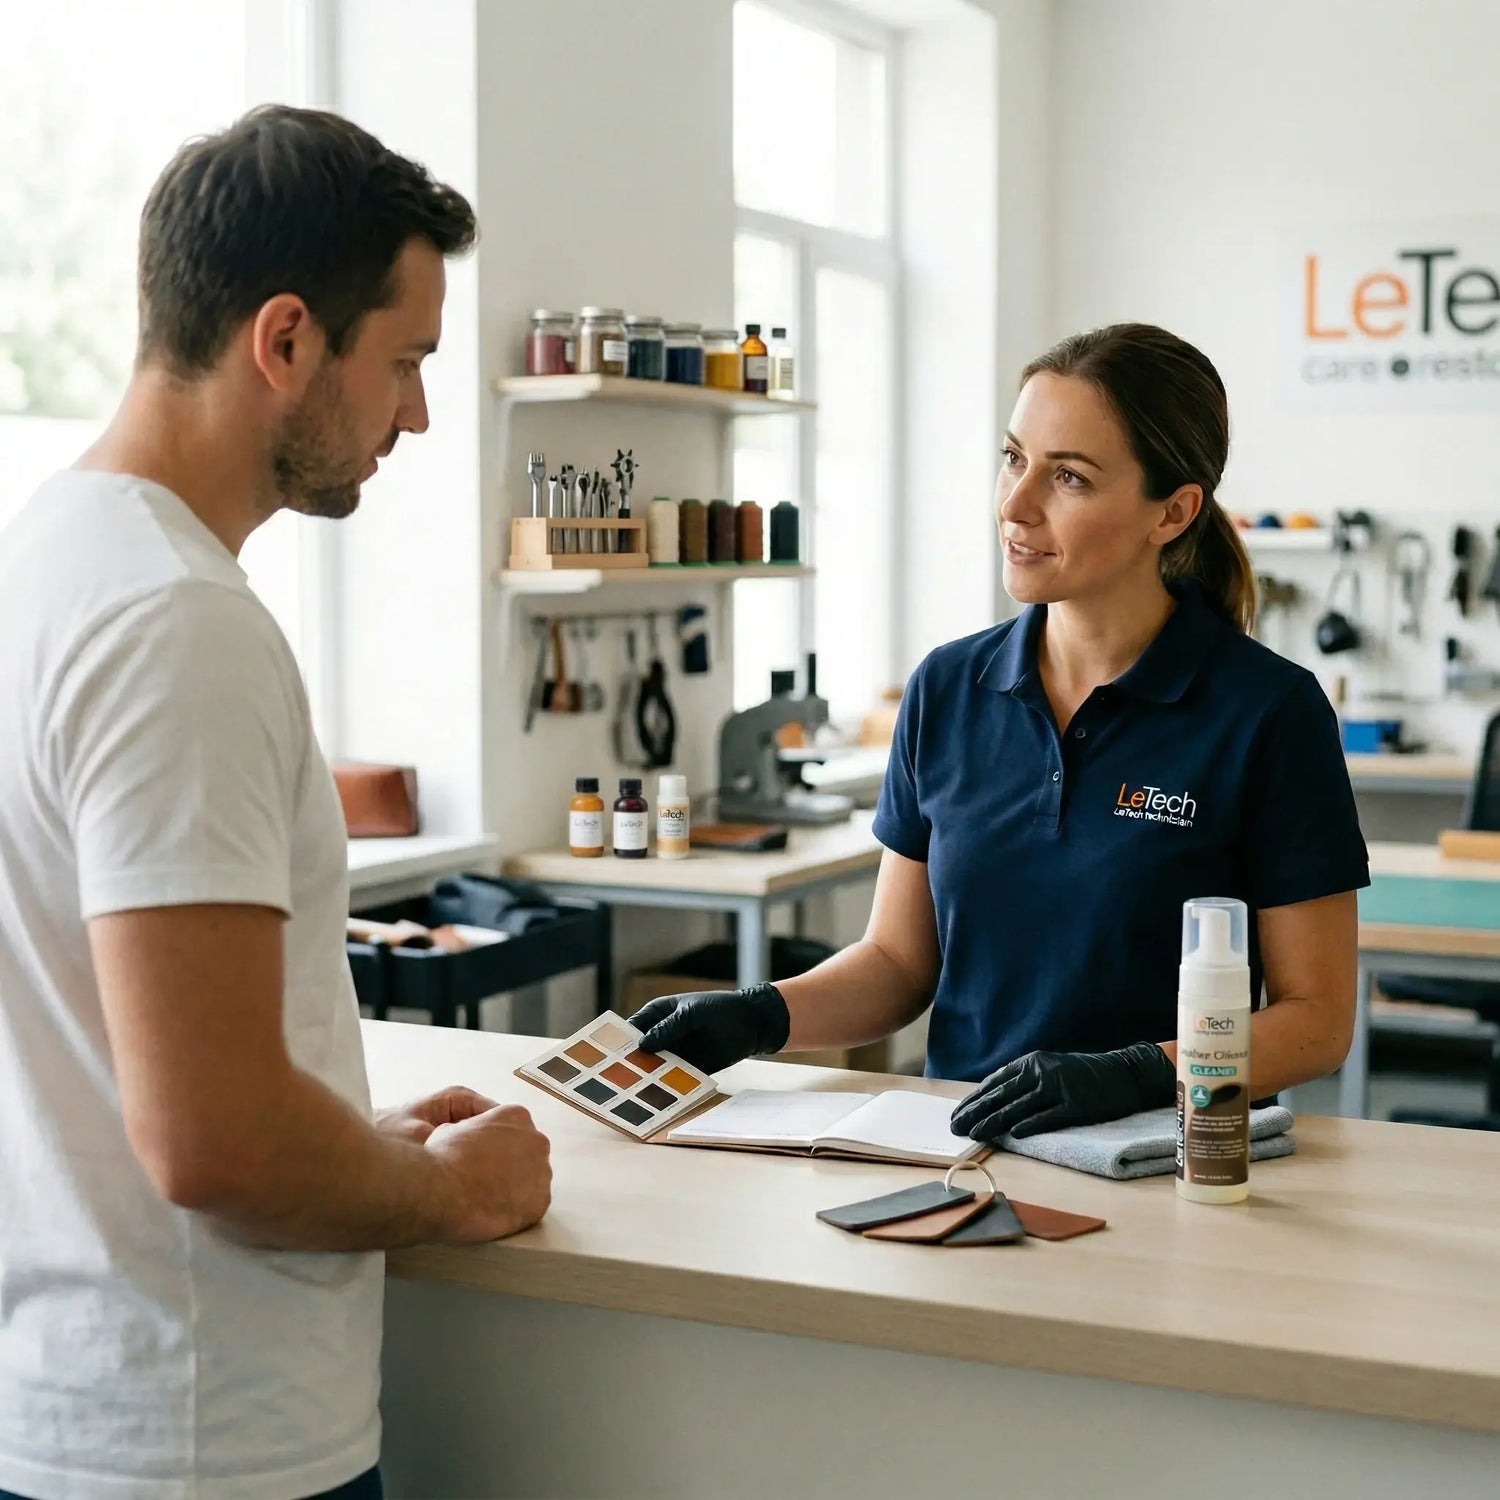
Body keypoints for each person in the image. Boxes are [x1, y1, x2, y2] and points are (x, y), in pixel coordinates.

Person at [0, 107, 551, 1500]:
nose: (418, 414)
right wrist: (450, 1192)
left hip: (72, 1398)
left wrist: (348, 1144)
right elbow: (213, 1134)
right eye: (407, 360)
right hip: (201, 1440)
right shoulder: (175, 621)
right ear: (287, 340)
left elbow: (116, 1043)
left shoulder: (44, 566)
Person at [633, 323, 1369, 1143]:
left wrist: (1136, 1072)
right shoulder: (947, 689)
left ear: (1174, 511)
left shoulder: (1269, 712)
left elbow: (1317, 1021)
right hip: (960, 1151)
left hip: (1177, 1160)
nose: (1016, 506)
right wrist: (758, 1016)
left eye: (1071, 478)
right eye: (1014, 458)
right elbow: (899, 965)